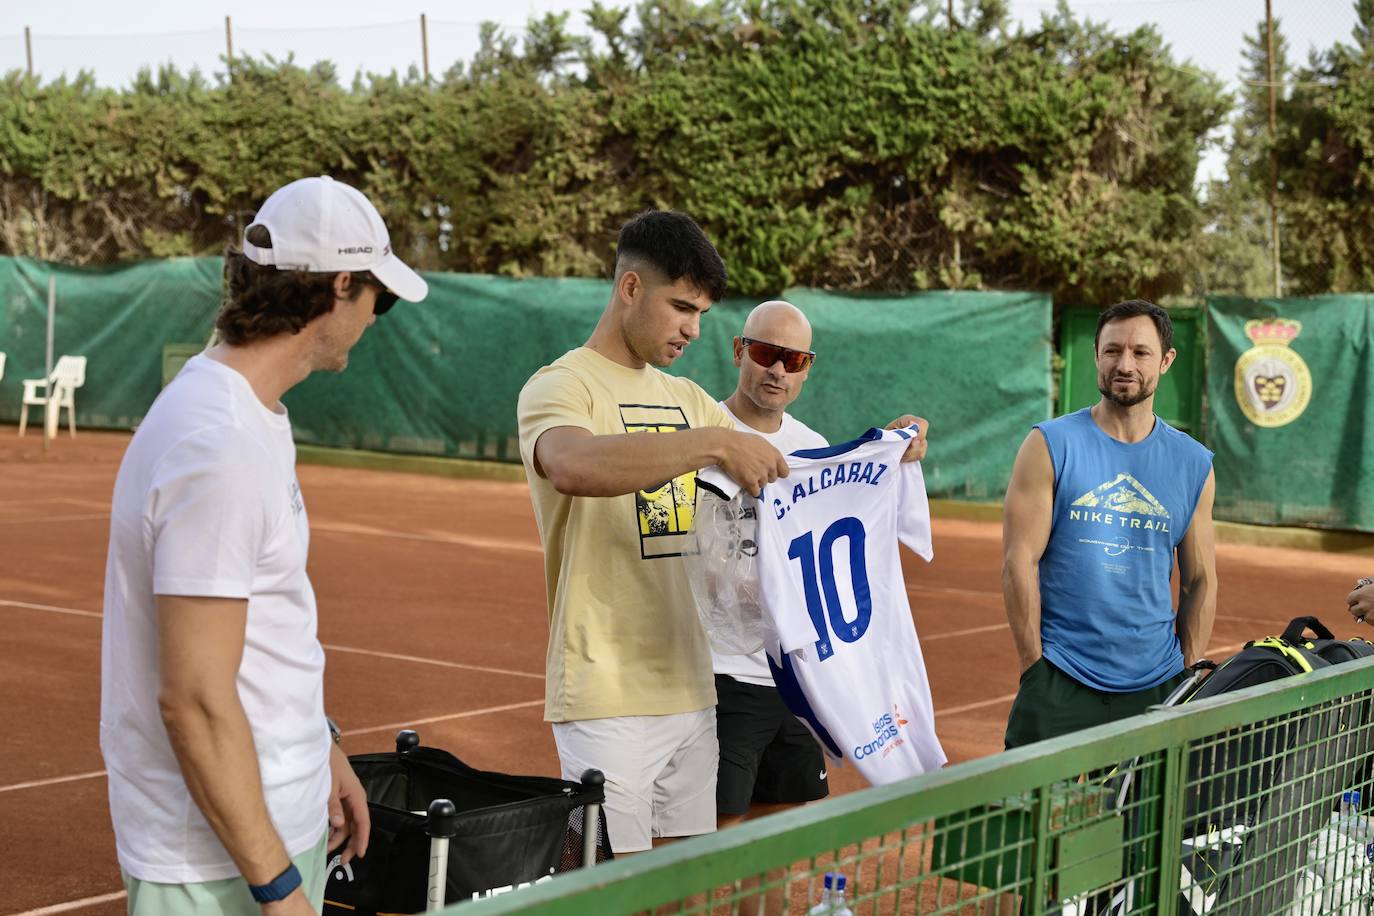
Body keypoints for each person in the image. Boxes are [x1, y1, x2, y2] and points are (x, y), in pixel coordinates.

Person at [101, 176, 427, 914]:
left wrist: (323, 748)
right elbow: (194, 698)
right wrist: (278, 889)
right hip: (220, 861)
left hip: (275, 819)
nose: (379, 317)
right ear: (341, 285)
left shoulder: (247, 415)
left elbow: (262, 640)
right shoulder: (218, 443)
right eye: (381, 297)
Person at [515, 210, 790, 855]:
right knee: (608, 890)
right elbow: (572, 464)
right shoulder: (562, 385)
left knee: (678, 891)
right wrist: (715, 442)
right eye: (682, 308)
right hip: (605, 694)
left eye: (701, 315)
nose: (693, 329)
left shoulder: (689, 400)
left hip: (693, 691)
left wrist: (884, 453)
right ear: (631, 288)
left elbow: (770, 467)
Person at [710, 300, 928, 915]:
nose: (777, 370)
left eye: (794, 359)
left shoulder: (814, 448)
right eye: (764, 353)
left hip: (802, 682)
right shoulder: (705, 431)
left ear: (808, 369)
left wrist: (895, 448)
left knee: (777, 836)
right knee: (712, 845)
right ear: (738, 350)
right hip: (725, 675)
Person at [1001, 298, 1217, 749]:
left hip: (1158, 685)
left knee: (1149, 821)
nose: (1125, 364)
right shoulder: (1049, 443)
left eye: (1140, 352)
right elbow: (1019, 561)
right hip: (1060, 679)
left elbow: (1199, 580)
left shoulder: (1194, 463)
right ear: (1096, 355)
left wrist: (1187, 674)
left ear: (1166, 360)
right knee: (1030, 816)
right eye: (1112, 350)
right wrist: (1034, 668)